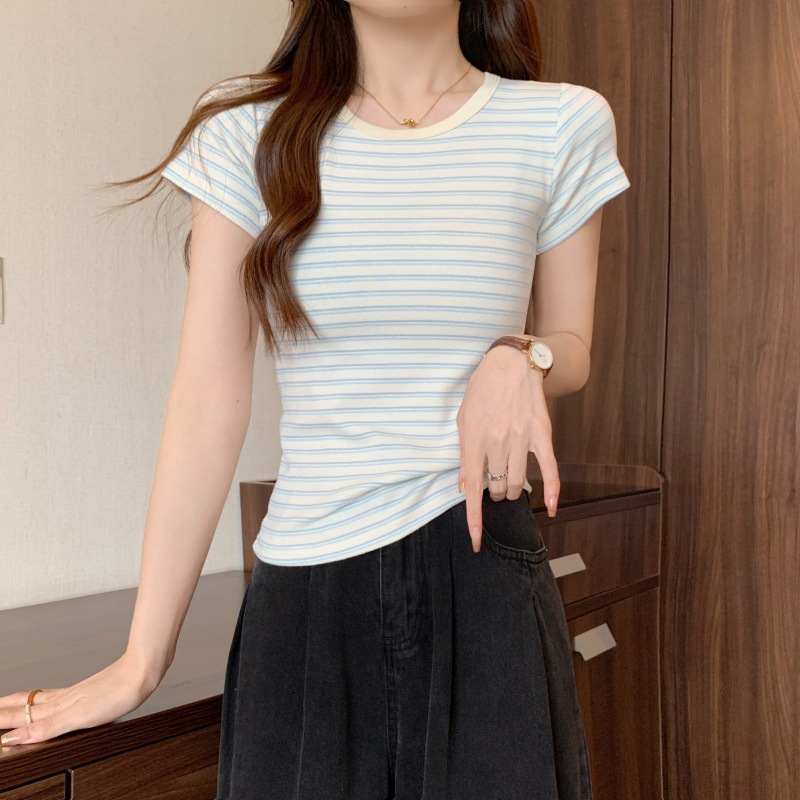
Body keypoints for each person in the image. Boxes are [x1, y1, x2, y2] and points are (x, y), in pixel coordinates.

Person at [0, 1, 629, 797]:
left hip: (484, 571)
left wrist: (522, 354)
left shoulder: (560, 123)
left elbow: (571, 346)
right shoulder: (244, 132)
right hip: (306, 594)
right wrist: (140, 662)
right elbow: (207, 399)